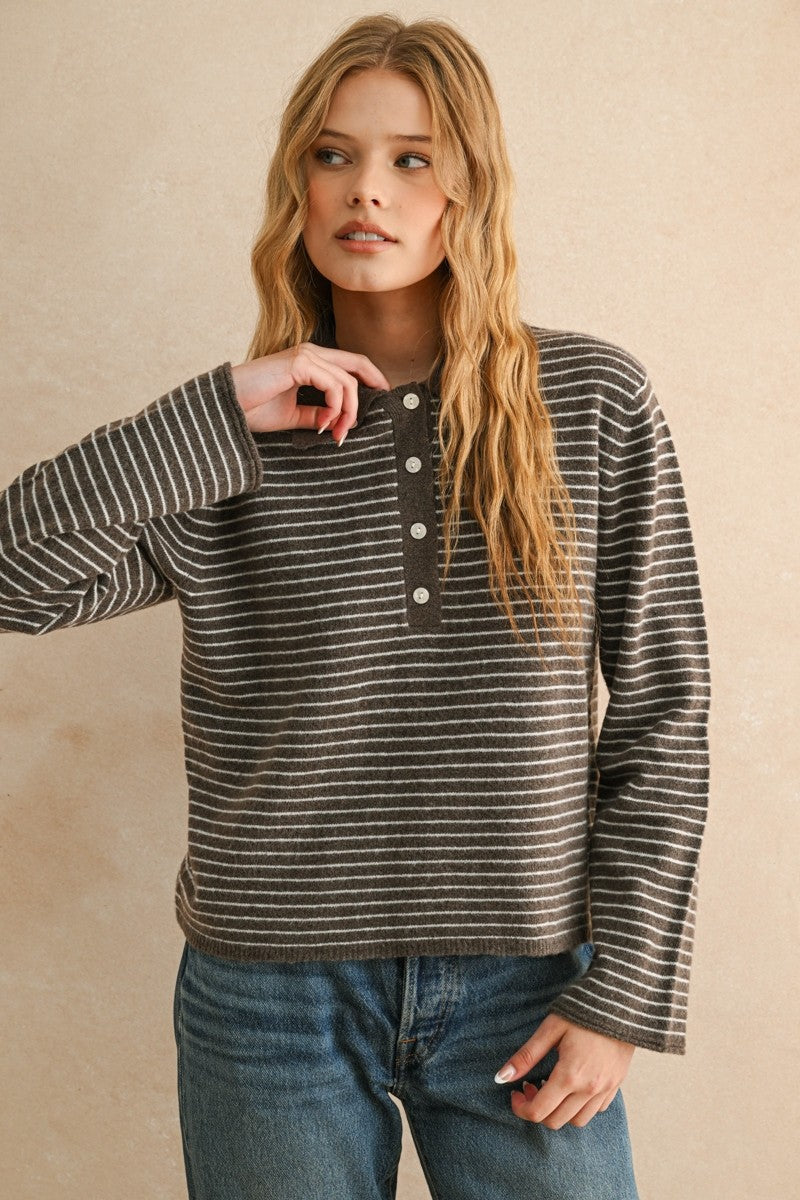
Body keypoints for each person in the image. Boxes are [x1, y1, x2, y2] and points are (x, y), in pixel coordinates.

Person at [0, 13, 711, 1200]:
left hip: (526, 989)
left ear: (467, 188)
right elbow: (12, 576)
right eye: (331, 155)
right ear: (297, 184)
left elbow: (663, 711)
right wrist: (217, 409)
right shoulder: (226, 442)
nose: (364, 190)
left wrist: (623, 991)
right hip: (268, 999)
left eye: (408, 158)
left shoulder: (590, 401)